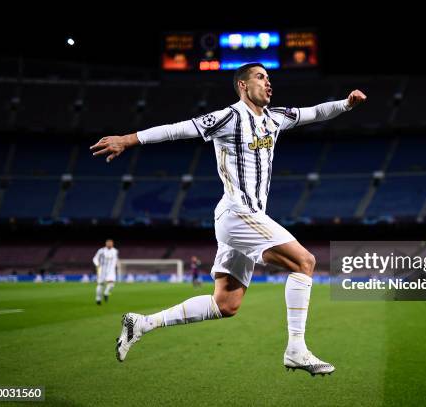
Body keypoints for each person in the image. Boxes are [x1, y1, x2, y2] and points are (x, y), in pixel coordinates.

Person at [90, 62, 367, 375]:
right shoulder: (229, 117)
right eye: (260, 78)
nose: (268, 83)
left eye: (269, 78)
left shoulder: (277, 118)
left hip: (245, 218)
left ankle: (141, 323)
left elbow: (315, 112)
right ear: (243, 86)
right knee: (305, 262)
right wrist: (128, 139)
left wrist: (346, 104)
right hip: (237, 212)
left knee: (226, 304)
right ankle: (296, 349)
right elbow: (179, 129)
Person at [93, 239, 118, 305]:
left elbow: (115, 259)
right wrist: (97, 264)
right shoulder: (101, 251)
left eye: (110, 243)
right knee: (101, 284)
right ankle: (98, 298)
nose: (109, 244)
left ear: (112, 244)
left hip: (111, 270)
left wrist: (115, 266)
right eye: (108, 243)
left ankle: (106, 293)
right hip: (102, 270)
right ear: (106, 243)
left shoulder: (115, 251)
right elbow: (95, 258)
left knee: (112, 284)